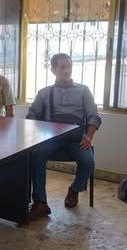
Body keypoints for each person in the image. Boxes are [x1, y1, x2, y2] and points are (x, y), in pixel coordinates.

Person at [26, 53, 101, 217]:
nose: (66, 71)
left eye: (69, 67)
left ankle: (74, 189)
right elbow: (31, 117)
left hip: (76, 138)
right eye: (62, 67)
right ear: (53, 70)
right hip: (50, 138)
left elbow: (94, 116)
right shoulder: (44, 93)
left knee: (88, 162)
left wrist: (88, 137)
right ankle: (40, 202)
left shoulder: (83, 91)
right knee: (35, 155)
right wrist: (37, 137)